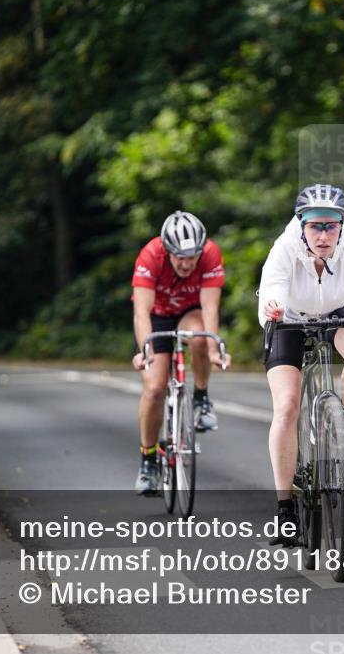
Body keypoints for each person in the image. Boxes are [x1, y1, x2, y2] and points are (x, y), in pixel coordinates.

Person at [258, 183, 344, 545]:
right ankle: (285, 509)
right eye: (315, 226)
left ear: (342, 226)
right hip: (289, 316)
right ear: (302, 225)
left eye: (331, 226)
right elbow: (272, 285)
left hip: (334, 310)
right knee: (286, 408)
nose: (323, 234)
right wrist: (273, 307)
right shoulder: (285, 247)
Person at [130, 210, 230, 495]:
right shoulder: (150, 255)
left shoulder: (210, 253)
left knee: (199, 338)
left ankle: (201, 400)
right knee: (154, 389)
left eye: (192, 256)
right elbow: (141, 311)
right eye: (180, 257)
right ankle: (148, 460)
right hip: (157, 316)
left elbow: (210, 307)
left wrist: (213, 350)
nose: (187, 263)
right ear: (167, 250)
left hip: (190, 312)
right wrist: (146, 350)